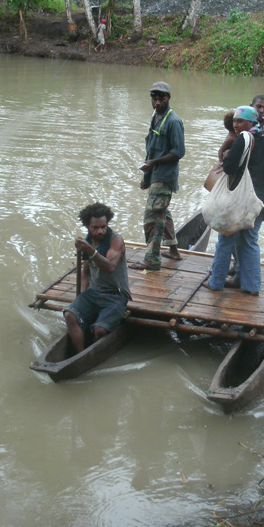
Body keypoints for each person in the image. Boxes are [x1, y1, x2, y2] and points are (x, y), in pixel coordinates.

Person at [205, 105, 264, 295]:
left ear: (251, 122)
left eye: (240, 121)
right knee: (250, 243)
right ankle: (252, 286)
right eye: (234, 121)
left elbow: (230, 167)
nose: (236, 125)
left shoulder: (244, 139)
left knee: (225, 241)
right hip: (260, 201)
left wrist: (226, 156)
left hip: (241, 201)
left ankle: (216, 282)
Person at [64, 202, 132, 353]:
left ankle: (92, 353)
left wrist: (89, 250)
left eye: (104, 227)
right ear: (88, 226)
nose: (100, 231)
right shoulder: (87, 241)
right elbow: (86, 272)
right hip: (94, 292)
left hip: (116, 295)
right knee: (70, 315)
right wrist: (81, 296)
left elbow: (109, 267)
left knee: (100, 330)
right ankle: (80, 354)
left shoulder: (116, 240)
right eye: (95, 228)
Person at [133, 81, 184, 271]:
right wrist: (147, 176)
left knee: (153, 217)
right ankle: (173, 250)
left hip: (165, 176)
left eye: (161, 97)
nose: (157, 101)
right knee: (162, 213)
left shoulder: (173, 121)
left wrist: (154, 163)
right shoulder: (156, 116)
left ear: (168, 98)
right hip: (154, 174)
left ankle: (152, 259)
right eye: (154, 97)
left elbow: (179, 152)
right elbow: (151, 147)